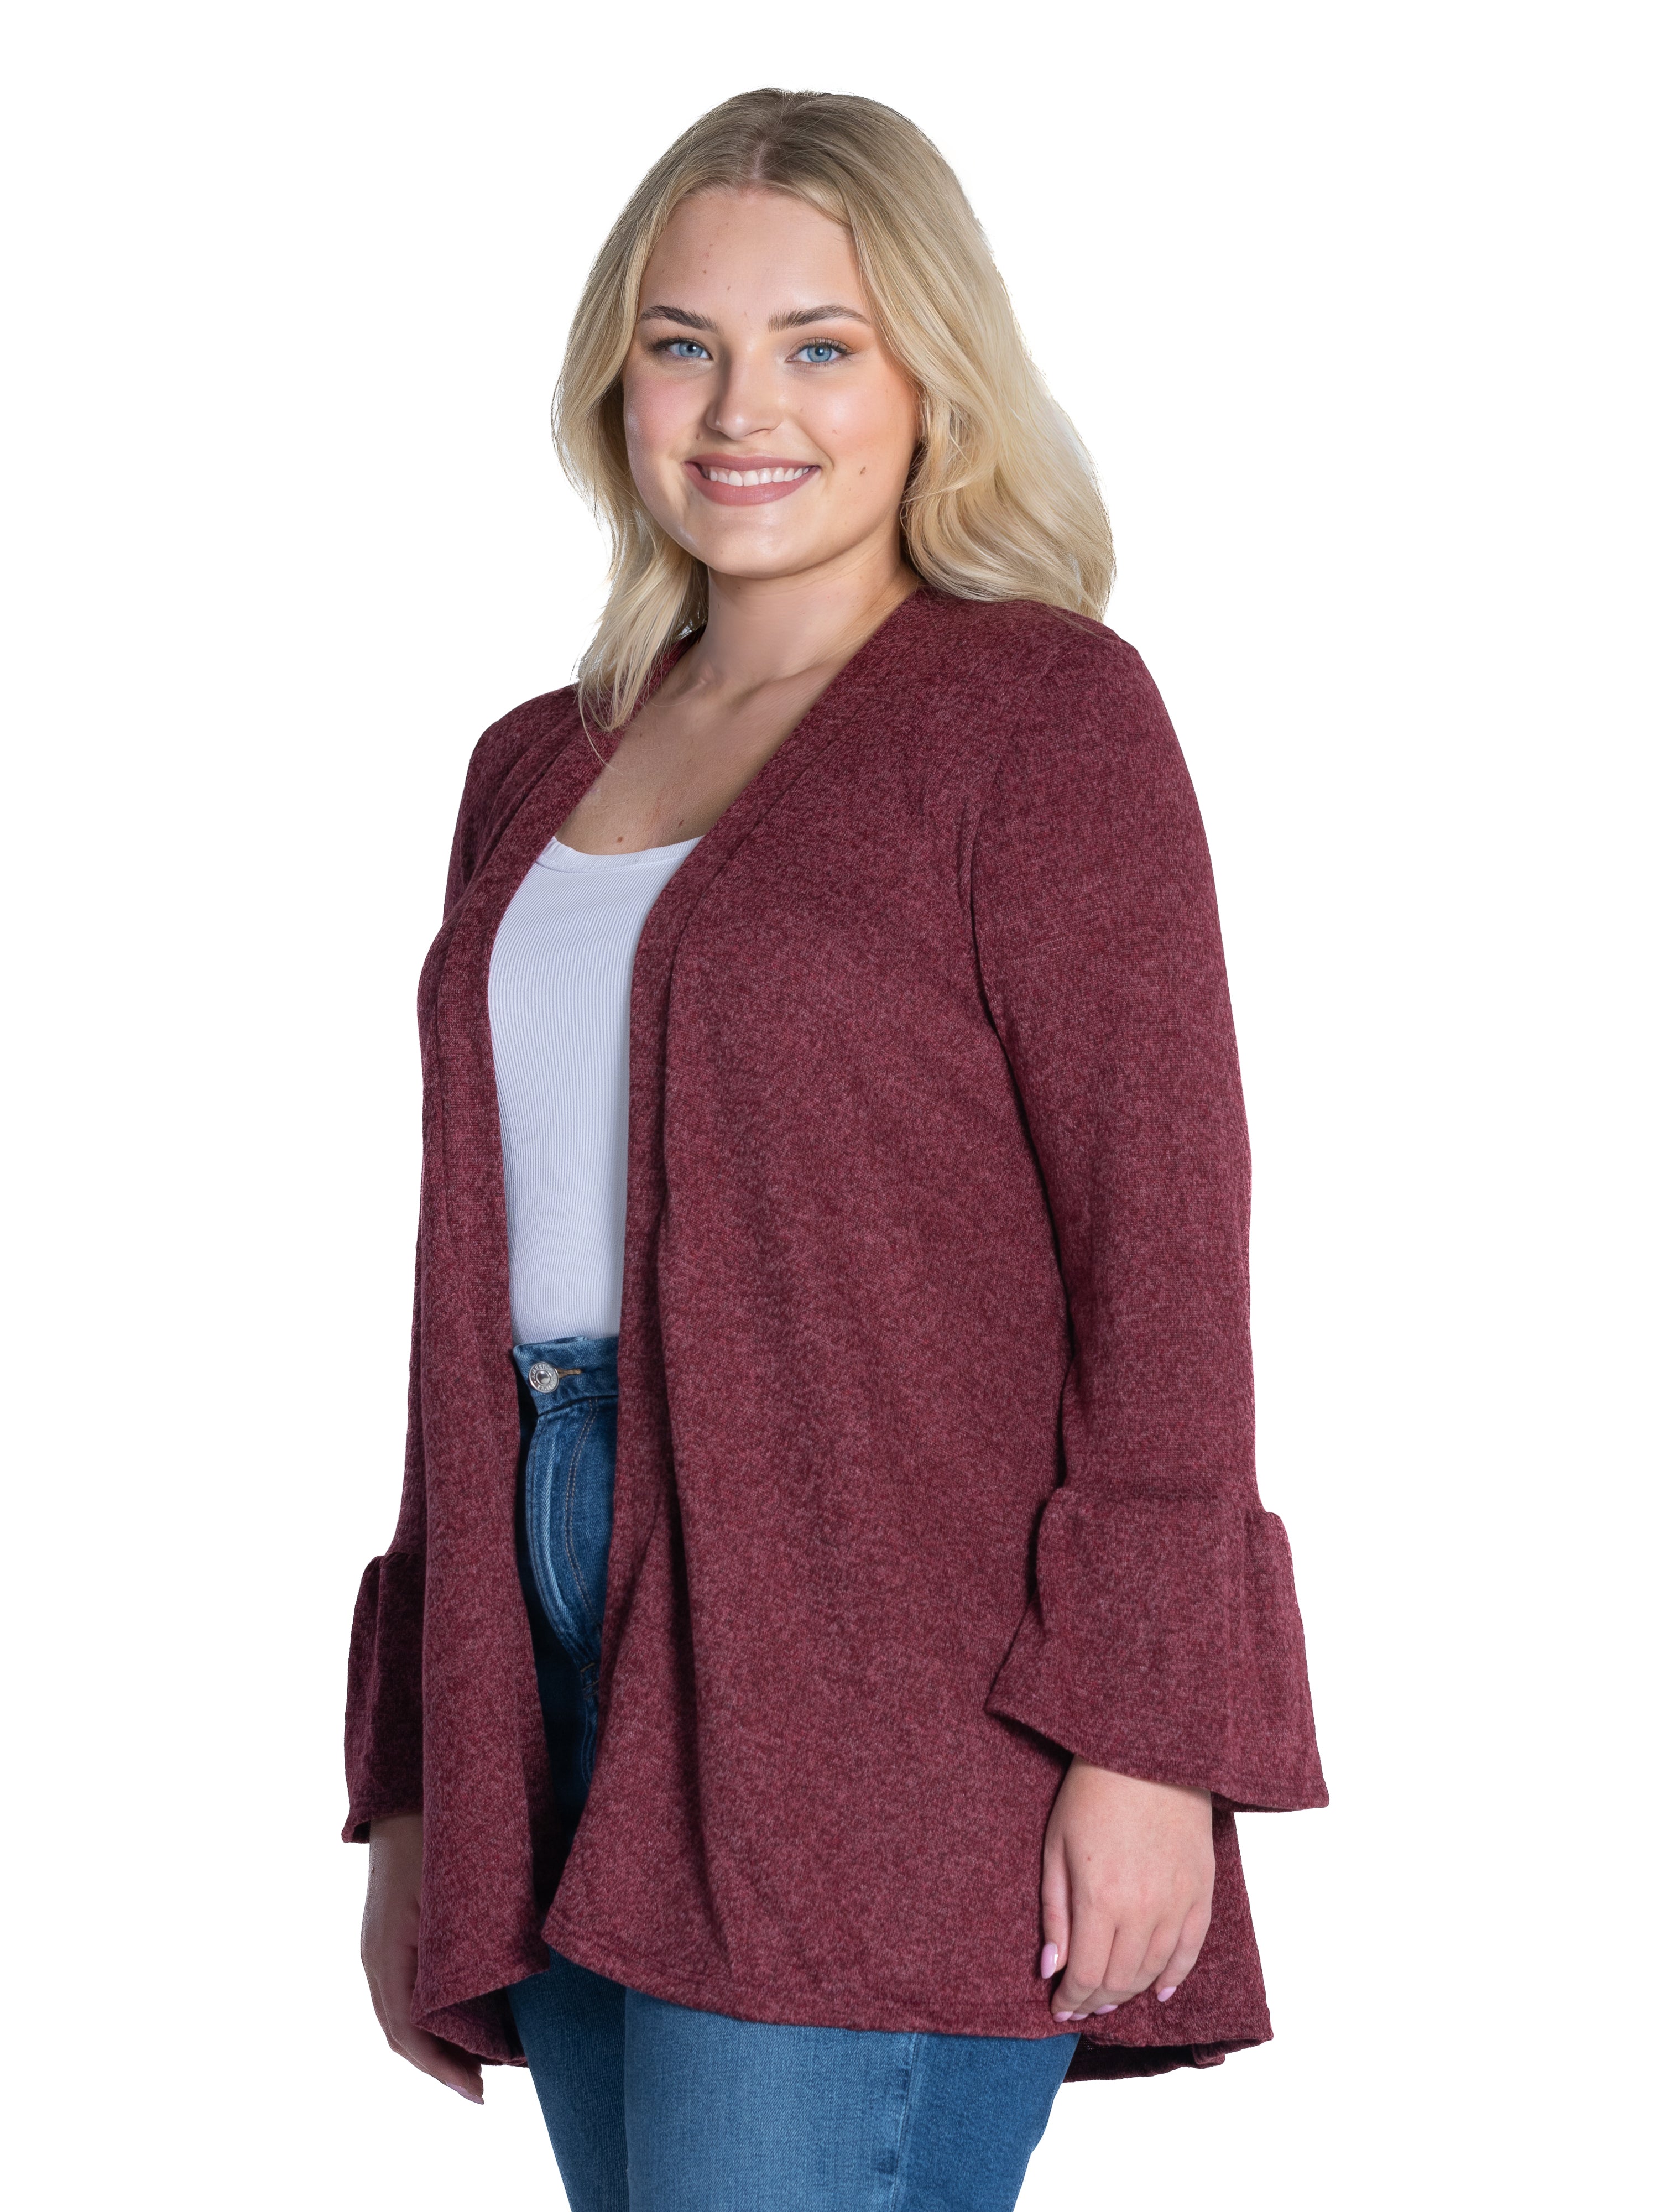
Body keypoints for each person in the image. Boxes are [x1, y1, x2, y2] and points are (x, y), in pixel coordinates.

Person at [349, 86, 1326, 2212]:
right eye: (683, 345)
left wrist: (1149, 1730)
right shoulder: (536, 765)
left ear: (930, 379)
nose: (741, 411)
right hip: (544, 1605)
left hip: (882, 1649)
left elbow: (1164, 1249)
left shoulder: (1038, 717)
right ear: (616, 379)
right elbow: (470, 1275)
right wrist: (428, 1769)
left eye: (820, 345)